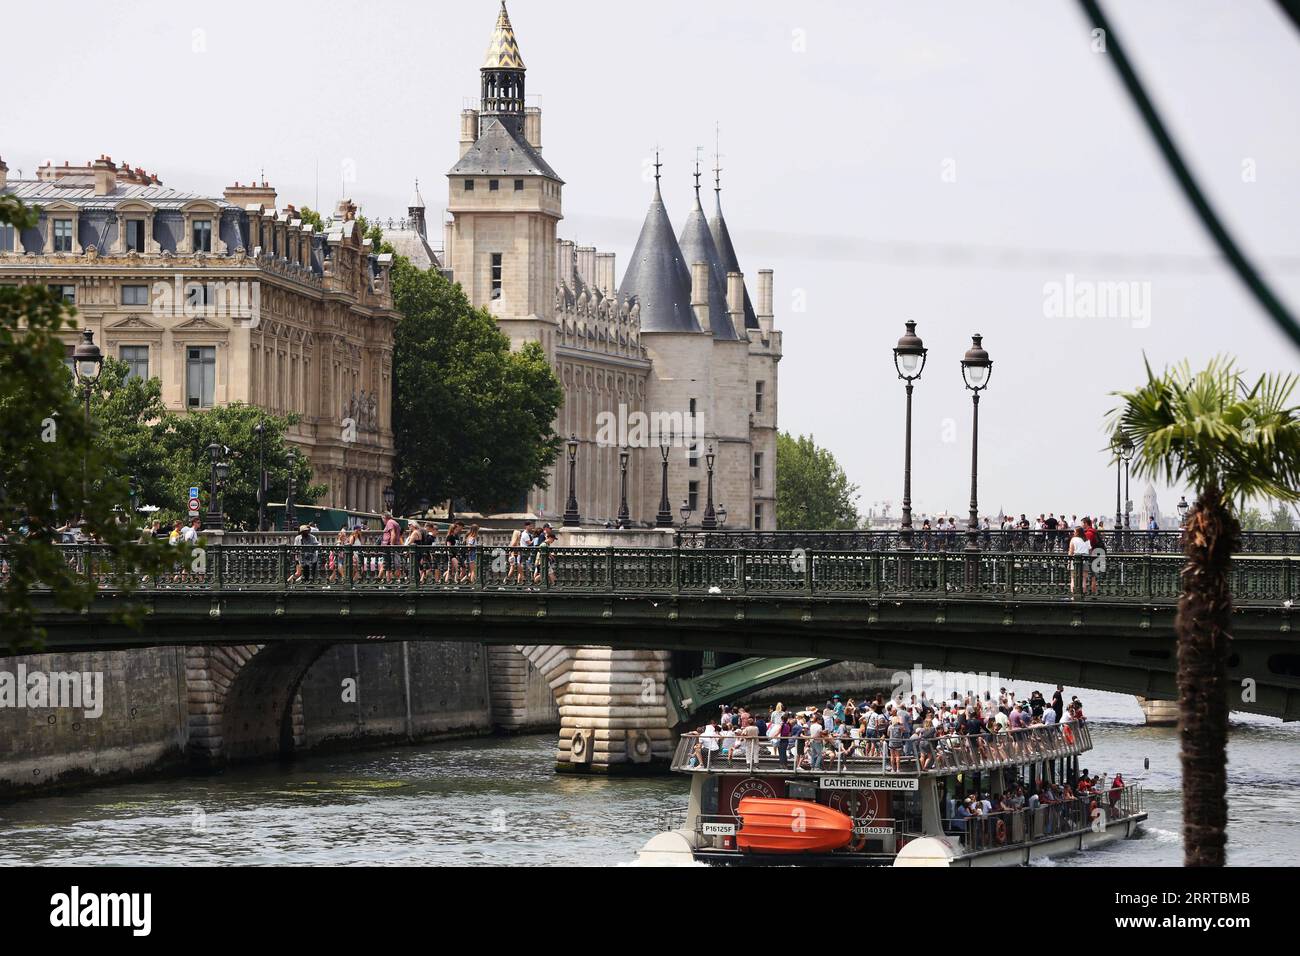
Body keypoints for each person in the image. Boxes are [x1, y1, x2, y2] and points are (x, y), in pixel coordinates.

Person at [1067, 524, 1091, 594]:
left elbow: (1071, 551)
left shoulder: (1073, 539)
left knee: (1073, 578)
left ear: (1077, 532)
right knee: (1083, 579)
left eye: (1074, 532)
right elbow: (1090, 551)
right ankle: (1083, 594)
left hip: (1075, 560)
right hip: (1085, 559)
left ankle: (1073, 595)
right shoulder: (1086, 540)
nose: (1073, 533)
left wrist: (1069, 562)